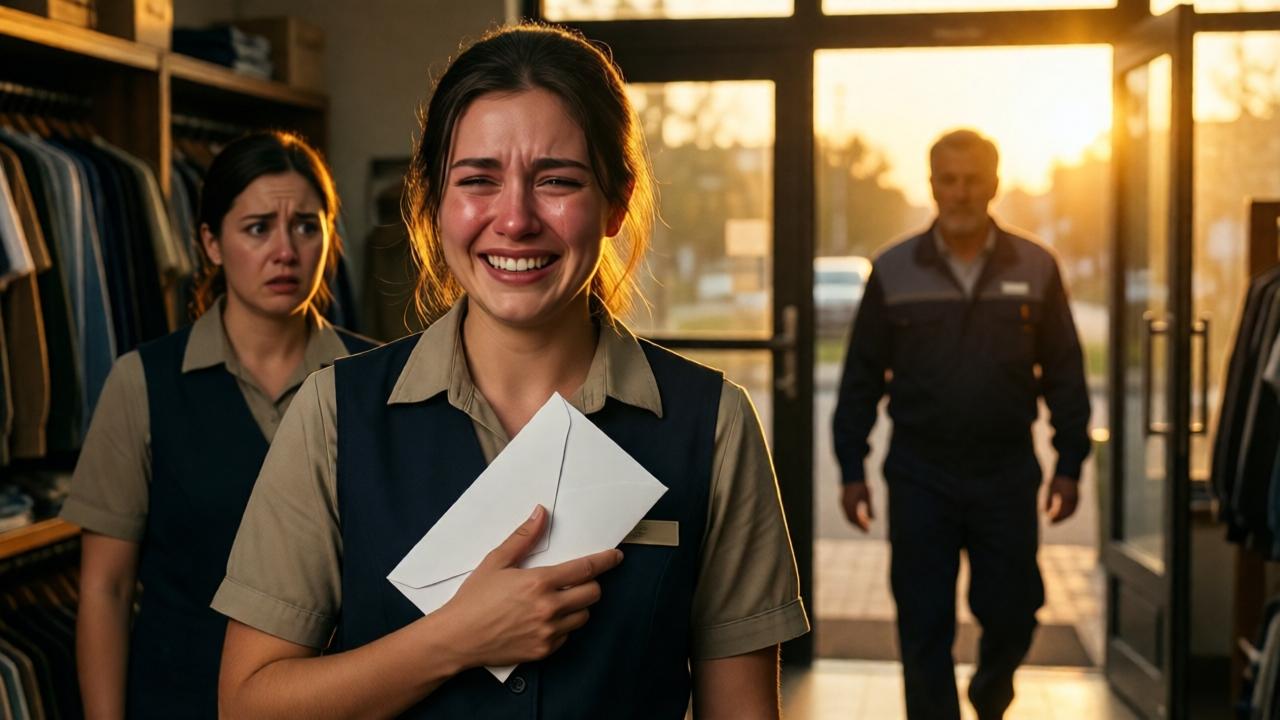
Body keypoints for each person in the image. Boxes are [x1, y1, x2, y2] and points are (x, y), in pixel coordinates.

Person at [212, 23, 809, 720]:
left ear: (615, 204)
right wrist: (452, 639)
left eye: (557, 180)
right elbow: (248, 704)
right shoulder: (335, 414)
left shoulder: (711, 425)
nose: (516, 219)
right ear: (434, 205)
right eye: (478, 180)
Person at [61, 131, 376, 719]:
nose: (285, 250)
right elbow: (105, 590)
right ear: (210, 242)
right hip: (180, 700)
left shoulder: (377, 381)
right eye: (258, 228)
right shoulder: (142, 383)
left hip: (340, 704)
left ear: (330, 238)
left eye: (306, 226)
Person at [831, 128, 1091, 720]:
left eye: (973, 179)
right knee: (923, 624)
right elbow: (861, 379)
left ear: (995, 183)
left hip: (1007, 472)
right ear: (931, 186)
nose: (961, 192)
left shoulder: (1037, 265)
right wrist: (852, 469)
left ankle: (990, 694)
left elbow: (1066, 374)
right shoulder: (894, 270)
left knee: (1015, 612)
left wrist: (1070, 463)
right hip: (920, 473)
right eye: (948, 180)